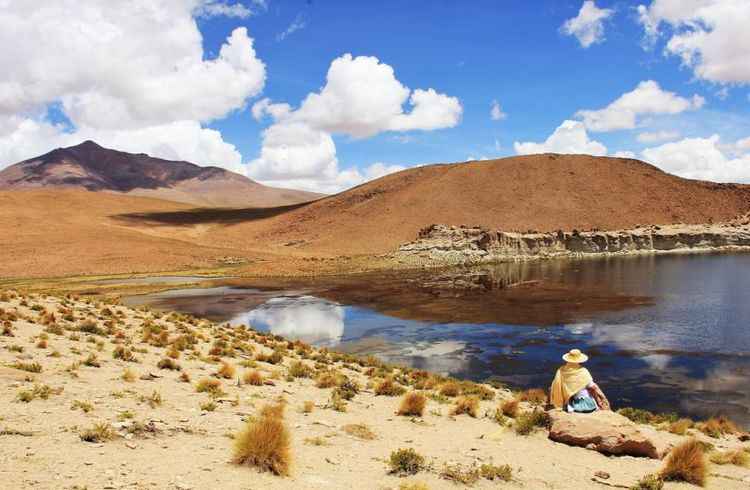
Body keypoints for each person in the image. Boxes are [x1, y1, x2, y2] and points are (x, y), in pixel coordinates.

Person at [549, 349, 610, 413]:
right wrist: (603, 398)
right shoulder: (583, 371)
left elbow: (556, 384)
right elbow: (594, 387)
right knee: (590, 389)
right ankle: (597, 406)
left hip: (571, 402)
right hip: (587, 405)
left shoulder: (561, 370)